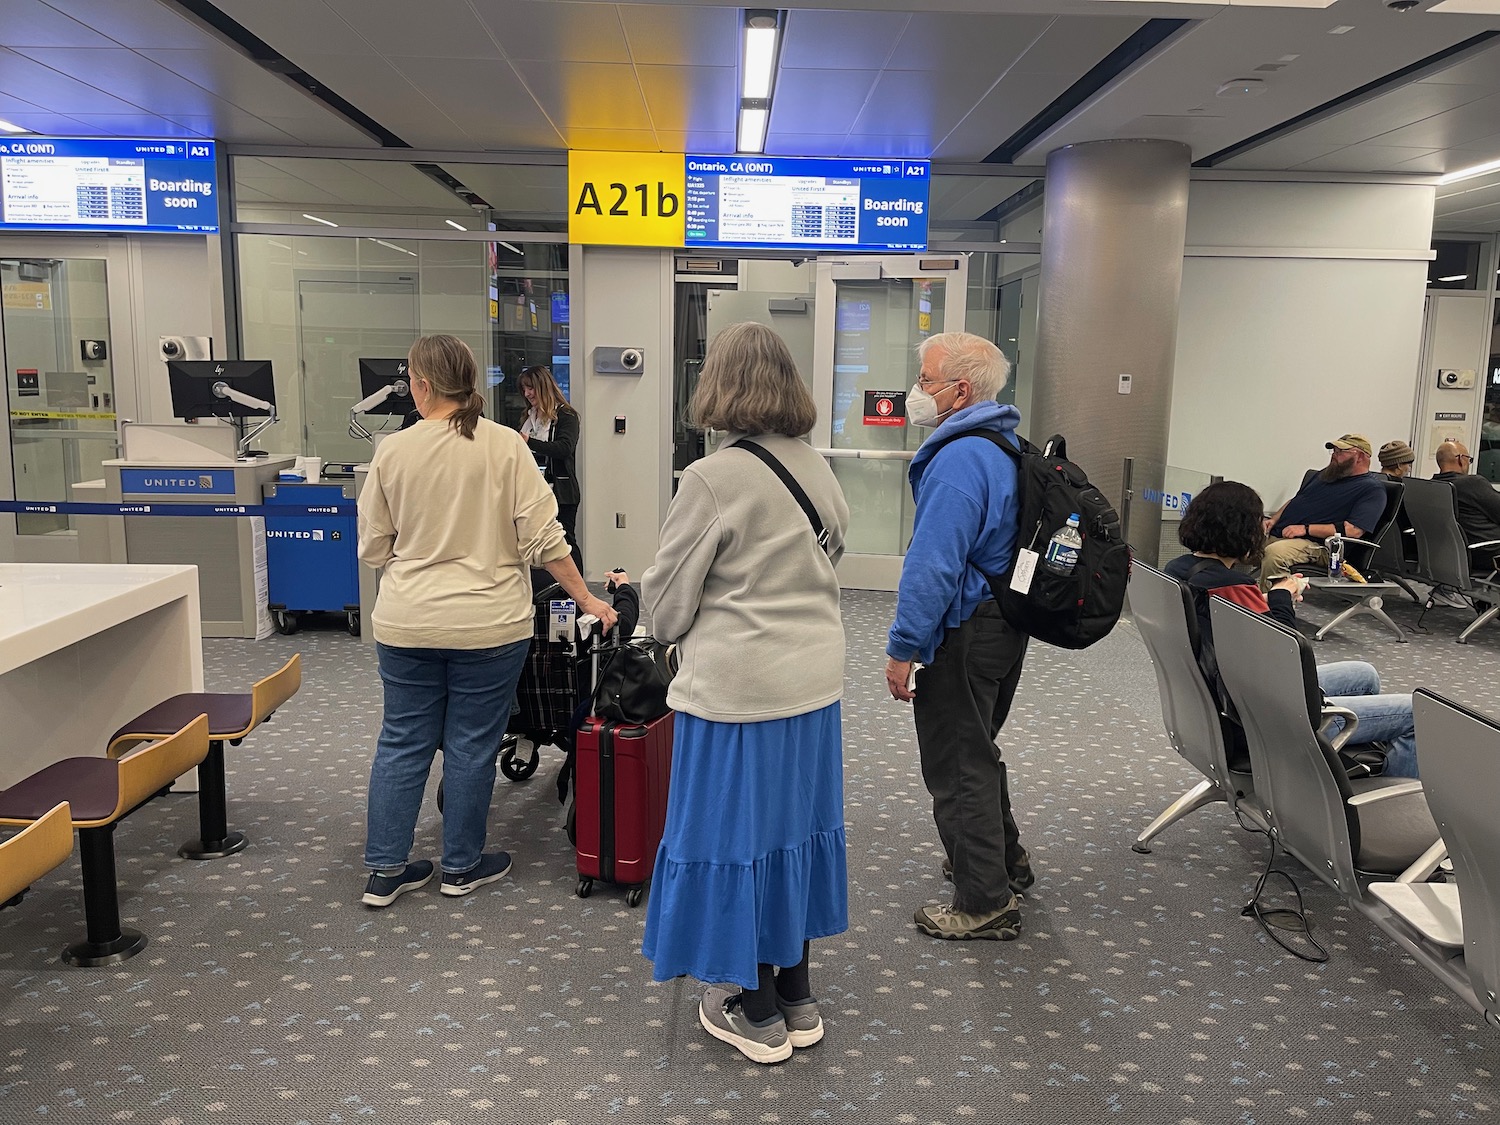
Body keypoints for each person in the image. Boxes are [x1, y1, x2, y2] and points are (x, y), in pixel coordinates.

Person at [641, 321, 850, 1066]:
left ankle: (753, 1008)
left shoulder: (712, 478)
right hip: (813, 684)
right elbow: (830, 554)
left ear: (718, 385)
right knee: (788, 833)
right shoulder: (816, 466)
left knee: (732, 839)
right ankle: (796, 992)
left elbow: (665, 604)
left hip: (738, 692)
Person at [357, 334, 617, 909]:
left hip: (408, 623)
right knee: (472, 745)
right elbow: (548, 540)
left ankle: (384, 872)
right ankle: (460, 866)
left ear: (421, 385)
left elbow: (373, 549)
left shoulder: (393, 451)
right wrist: (588, 600)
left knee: (402, 743)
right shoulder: (505, 446)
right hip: (490, 625)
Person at [884, 331, 1032, 943]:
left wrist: (903, 648)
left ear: (959, 391)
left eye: (925, 379)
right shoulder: (1004, 442)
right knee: (977, 749)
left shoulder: (961, 459)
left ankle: (983, 902)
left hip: (964, 629)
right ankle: (1004, 864)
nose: (916, 391)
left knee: (957, 762)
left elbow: (934, 564)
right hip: (1003, 623)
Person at [1164, 480, 1419, 778]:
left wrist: (1269, 598)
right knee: (1417, 713)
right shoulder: (1230, 584)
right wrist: (1283, 596)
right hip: (1264, 718)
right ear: (1241, 528)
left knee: (1364, 675)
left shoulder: (1178, 570)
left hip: (1224, 696)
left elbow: (1227, 617)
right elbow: (1288, 654)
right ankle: (1380, 801)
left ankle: (1340, 770)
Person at [1259, 434, 1388, 591]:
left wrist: (1305, 529)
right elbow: (1297, 500)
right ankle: (1231, 596)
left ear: (1360, 456)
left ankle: (1269, 607)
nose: (1334, 455)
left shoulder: (1372, 489)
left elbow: (1353, 530)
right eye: (1334, 451)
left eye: (1340, 452)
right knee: (1235, 536)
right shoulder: (1324, 476)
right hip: (1285, 534)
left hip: (1321, 547)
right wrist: (1273, 520)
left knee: (1275, 553)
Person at [517, 365, 583, 572]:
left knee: (565, 542)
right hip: (533, 492)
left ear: (543, 386)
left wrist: (528, 442)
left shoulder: (567, 416)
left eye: (530, 388)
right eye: (524, 390)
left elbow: (564, 448)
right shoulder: (529, 417)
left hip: (562, 493)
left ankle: (577, 593)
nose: (527, 394)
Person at [1433, 440, 1500, 574]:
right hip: (1488, 553)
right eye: (1469, 459)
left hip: (1454, 554)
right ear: (1461, 460)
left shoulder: (1433, 487)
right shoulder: (1472, 484)